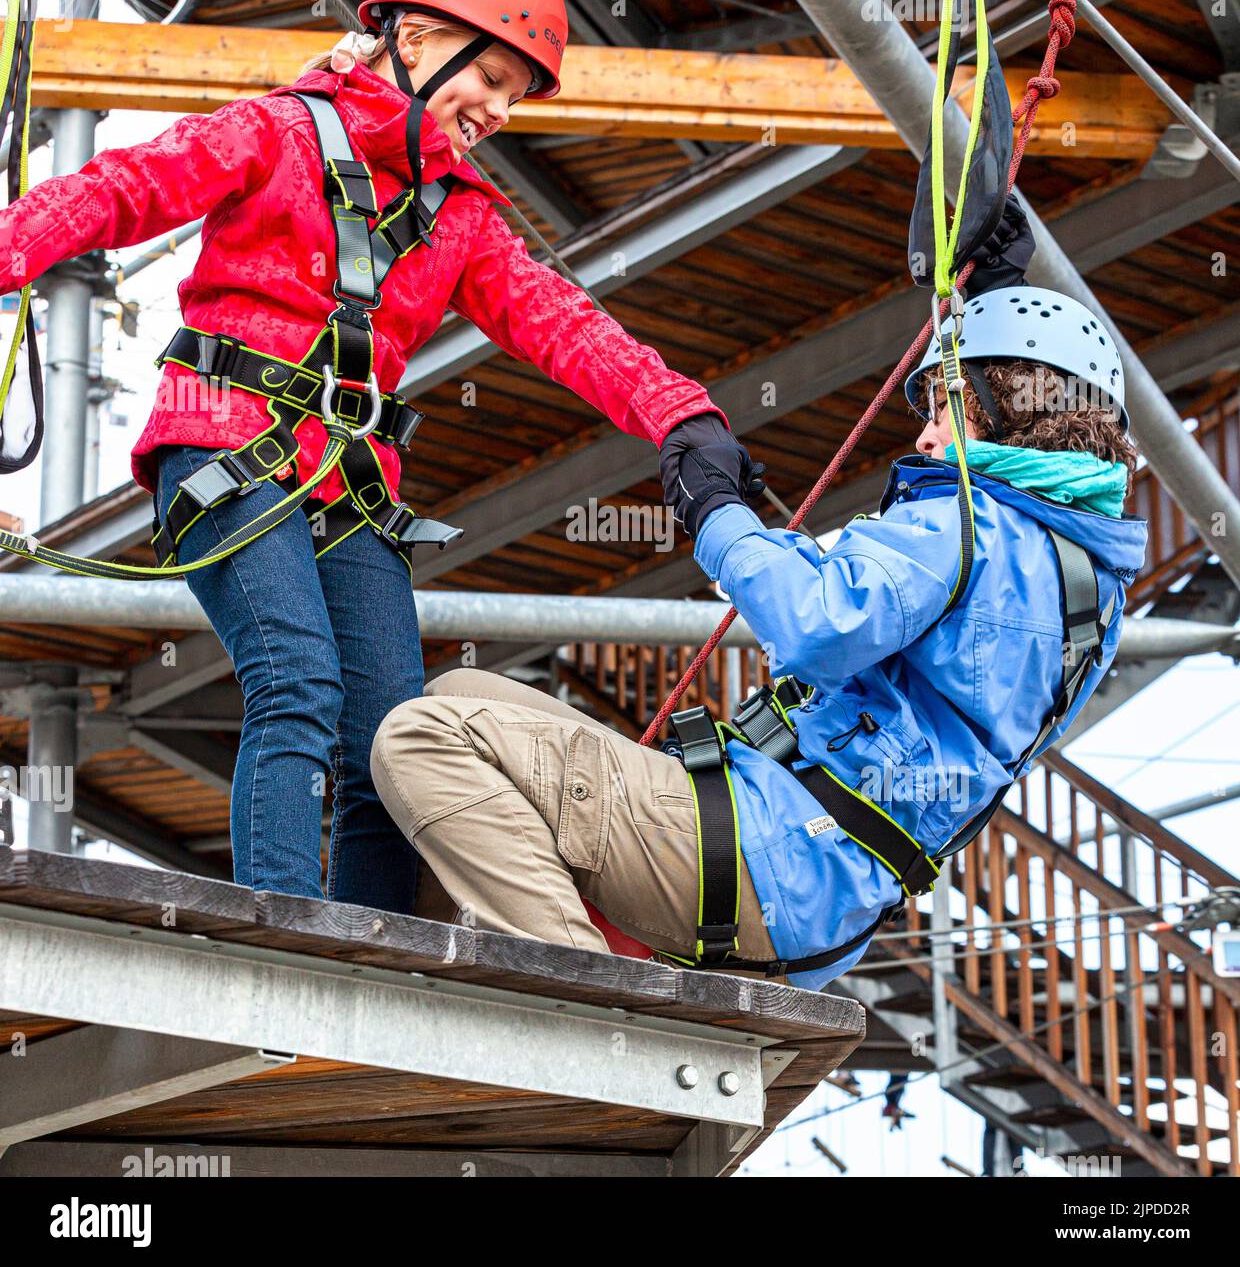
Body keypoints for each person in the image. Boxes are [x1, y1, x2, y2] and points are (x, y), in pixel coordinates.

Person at [0, 0, 754, 914]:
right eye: (487, 75)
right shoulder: (272, 132)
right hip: (224, 448)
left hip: (349, 489)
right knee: (299, 685)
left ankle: (375, 954)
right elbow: (112, 194)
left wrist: (680, 415)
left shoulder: (464, 219)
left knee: (397, 739)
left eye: (517, 94)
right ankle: (280, 938)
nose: (497, 109)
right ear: (415, 38)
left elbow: (563, 326)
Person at [368, 199, 1149, 987]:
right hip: (816, 888)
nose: (924, 436)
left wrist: (714, 511)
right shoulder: (1083, 584)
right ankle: (512, 970)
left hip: (763, 853)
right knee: (462, 688)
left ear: (1003, 407)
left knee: (421, 737)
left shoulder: (967, 522)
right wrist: (990, 305)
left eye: (947, 409)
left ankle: (578, 1005)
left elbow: (820, 622)